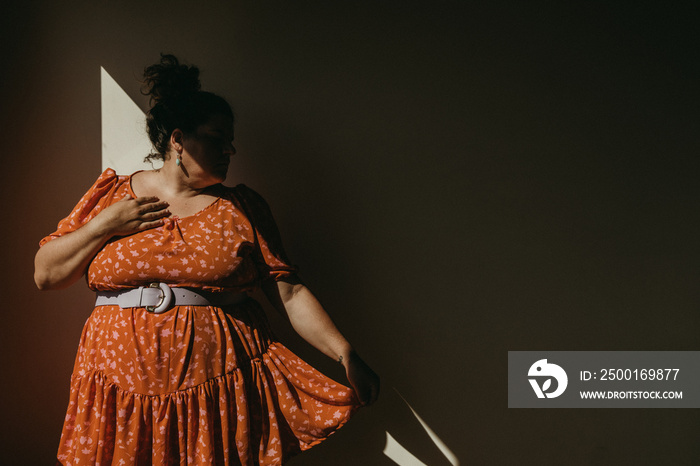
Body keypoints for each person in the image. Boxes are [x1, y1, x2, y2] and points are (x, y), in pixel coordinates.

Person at [34, 54, 379, 465]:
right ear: (178, 139)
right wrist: (104, 225)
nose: (229, 149)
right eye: (217, 138)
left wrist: (346, 354)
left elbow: (288, 292)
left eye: (230, 139)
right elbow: (46, 274)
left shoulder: (243, 208)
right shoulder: (112, 196)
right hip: (119, 391)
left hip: (214, 395)